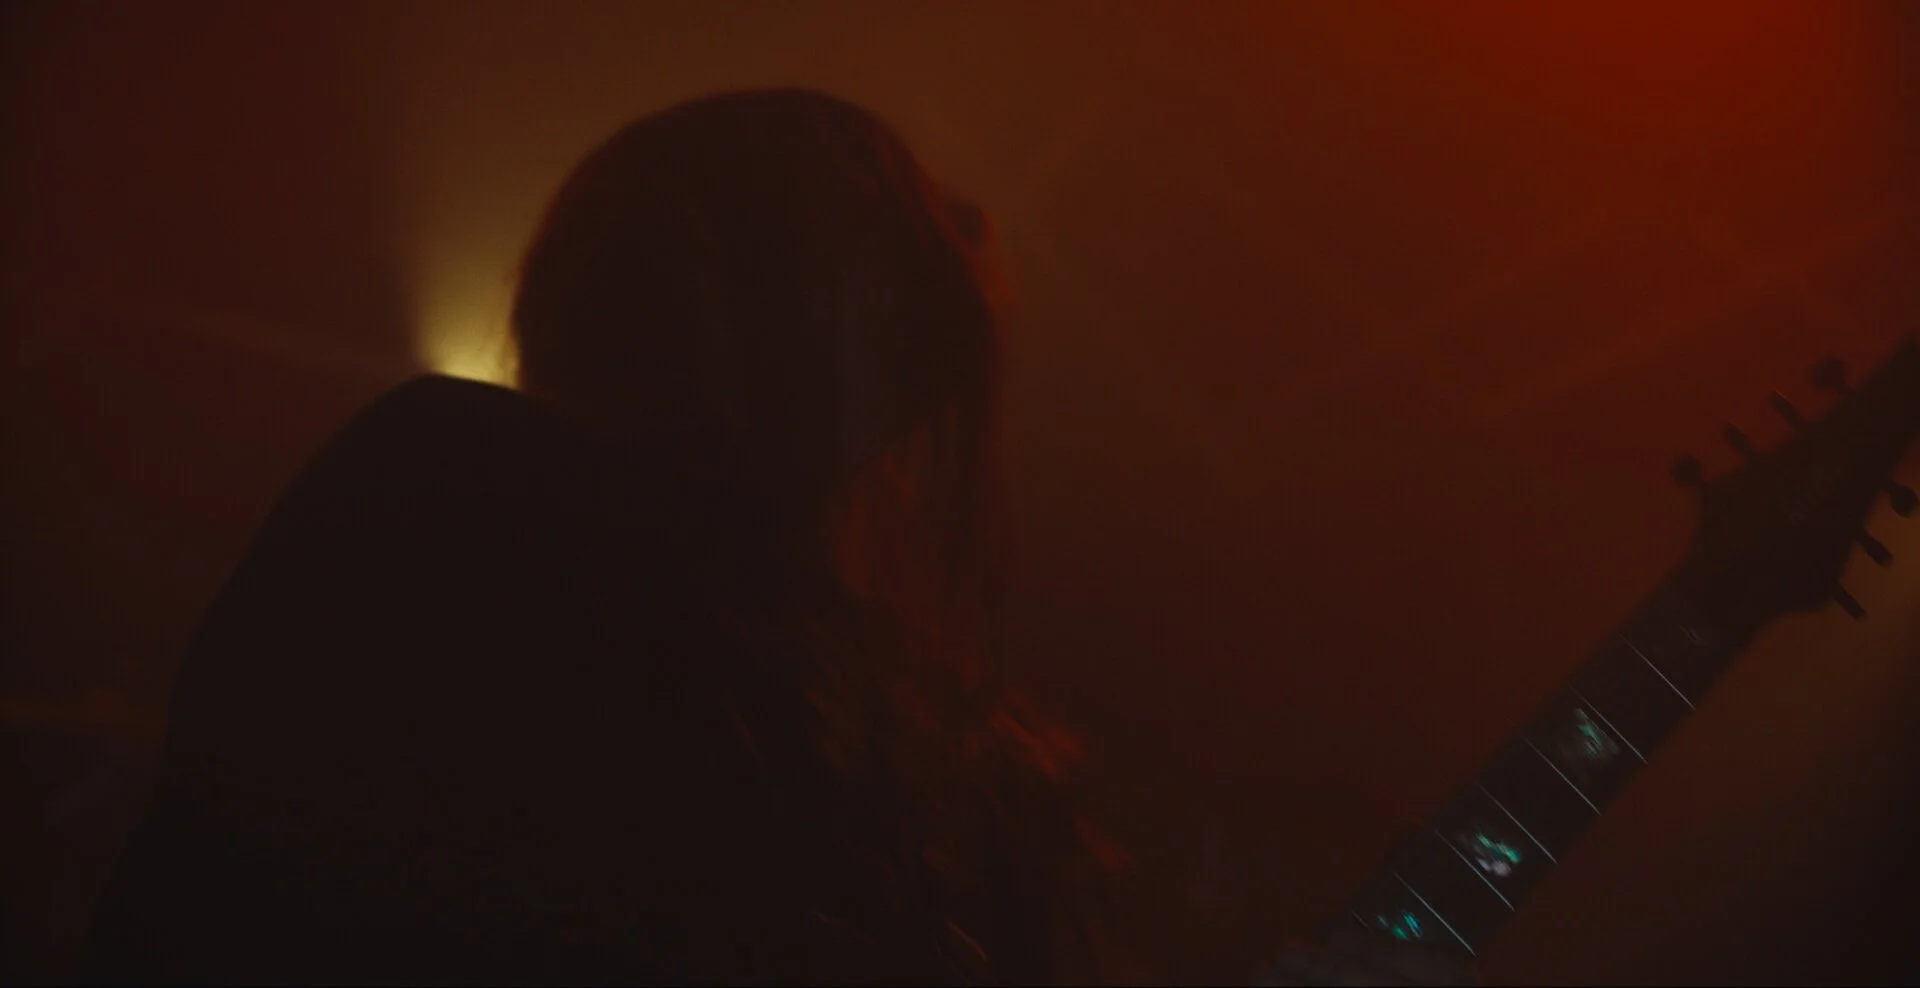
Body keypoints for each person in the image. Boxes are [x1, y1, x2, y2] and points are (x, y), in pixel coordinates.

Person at [83, 87, 1468, 985]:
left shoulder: (916, 722)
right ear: (790, 312)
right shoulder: (465, 500)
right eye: (897, 225)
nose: (967, 236)